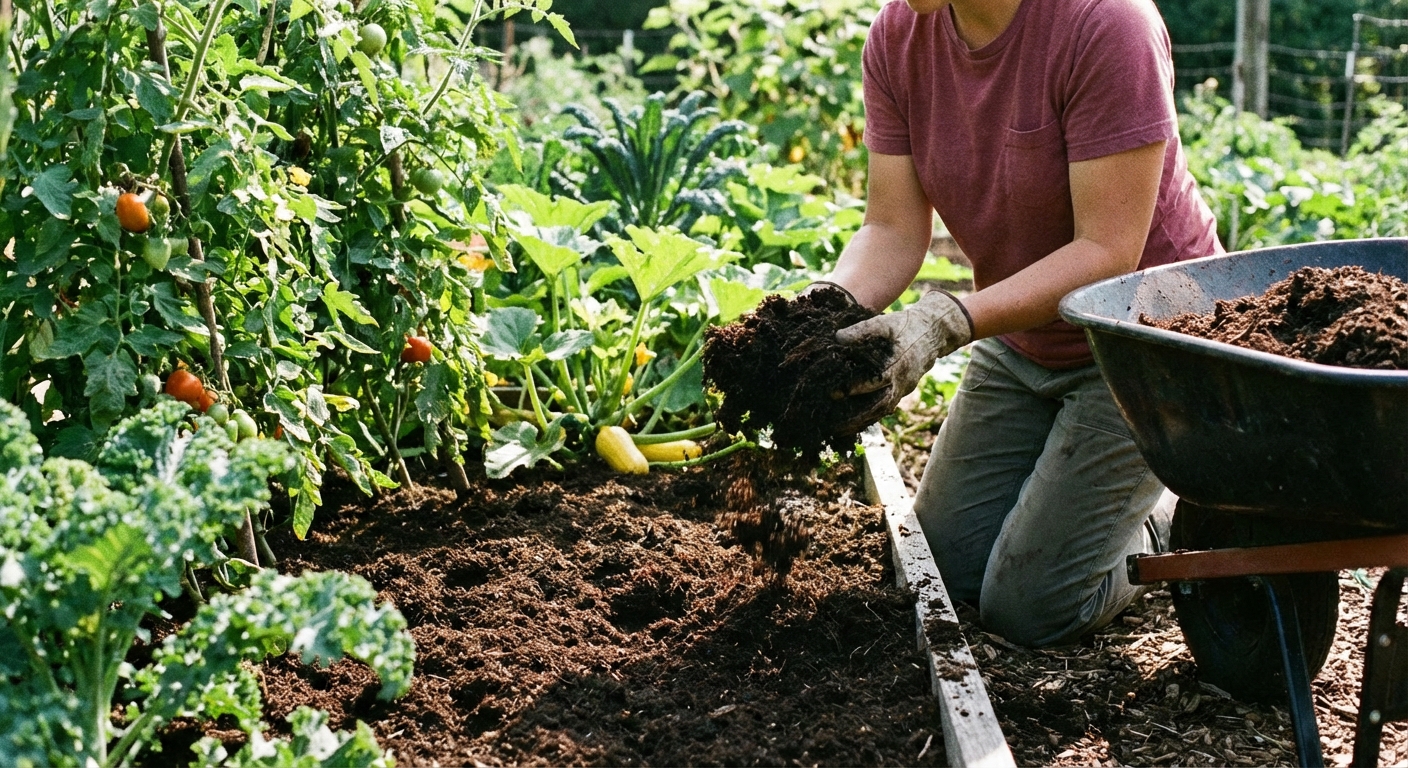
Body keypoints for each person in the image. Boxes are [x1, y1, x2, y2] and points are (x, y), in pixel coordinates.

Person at [816, 0, 1222, 647]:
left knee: (1032, 608)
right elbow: (891, 227)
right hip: (1025, 340)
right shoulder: (900, 36)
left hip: (1146, 343)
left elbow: (1106, 253)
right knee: (939, 572)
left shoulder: (1107, 24)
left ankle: (1170, 515)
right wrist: (819, 309)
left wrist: (948, 321)